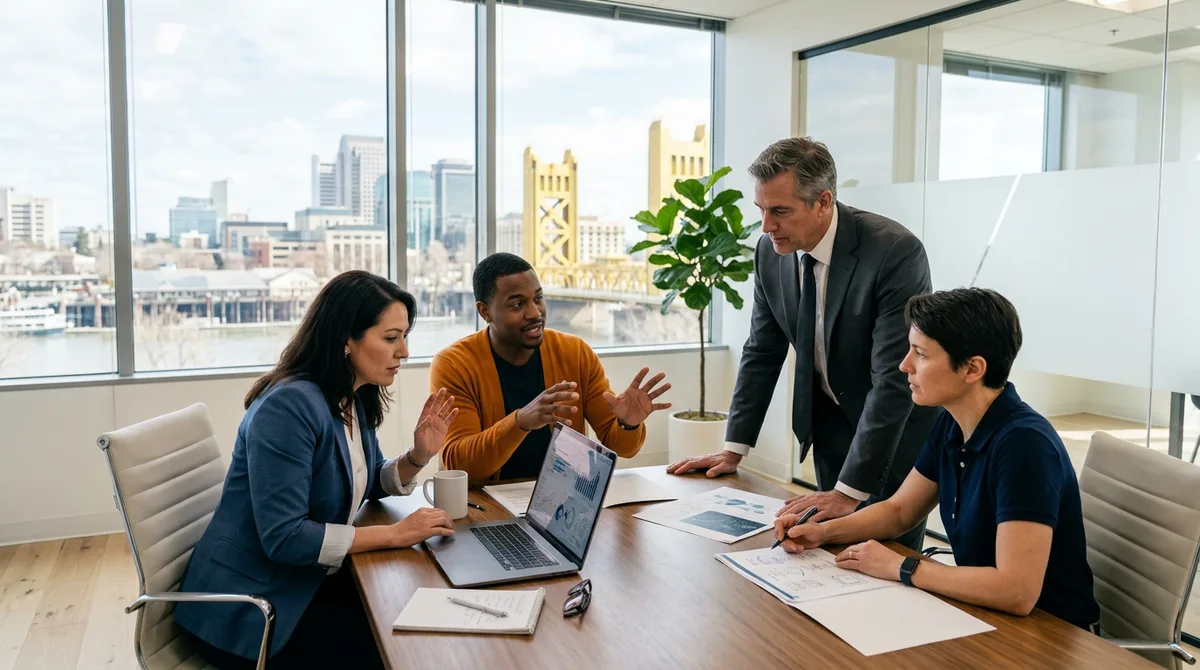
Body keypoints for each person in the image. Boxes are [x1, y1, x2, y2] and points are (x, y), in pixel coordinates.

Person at [174, 271, 460, 669]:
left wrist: (418, 455)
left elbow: (368, 478)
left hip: (302, 582)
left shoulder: (351, 395)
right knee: (395, 650)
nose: (405, 352)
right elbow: (285, 537)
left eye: (405, 337)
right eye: (391, 338)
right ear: (346, 339)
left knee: (415, 616)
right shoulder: (289, 407)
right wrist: (393, 534)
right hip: (249, 610)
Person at [774, 288, 1100, 630]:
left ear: (972, 368)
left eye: (921, 354)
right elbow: (900, 511)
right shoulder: (952, 422)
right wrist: (823, 532)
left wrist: (902, 567)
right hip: (984, 615)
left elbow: (1017, 591)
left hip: (1050, 635)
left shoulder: (1024, 446)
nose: (905, 365)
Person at [667, 137, 937, 550]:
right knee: (830, 559)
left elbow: (893, 380)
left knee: (885, 566)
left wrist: (849, 492)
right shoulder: (770, 252)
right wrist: (732, 449)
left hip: (892, 438)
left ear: (823, 201)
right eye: (761, 210)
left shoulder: (893, 252)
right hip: (829, 427)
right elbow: (762, 351)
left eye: (780, 211)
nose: (766, 226)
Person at [431, 253, 671, 483]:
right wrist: (521, 421)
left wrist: (627, 424)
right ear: (485, 312)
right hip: (486, 505)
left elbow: (621, 447)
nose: (535, 313)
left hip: (563, 503)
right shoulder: (454, 364)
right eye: (517, 305)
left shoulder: (575, 352)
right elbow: (458, 466)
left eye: (538, 298)